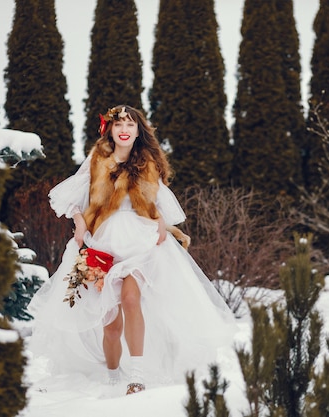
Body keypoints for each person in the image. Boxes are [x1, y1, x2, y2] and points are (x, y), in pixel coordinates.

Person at [27, 105, 235, 396]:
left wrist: (161, 222)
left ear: (139, 131)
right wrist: (79, 224)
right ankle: (113, 375)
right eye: (119, 124)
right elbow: (69, 196)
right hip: (102, 245)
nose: (124, 129)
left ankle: (136, 376)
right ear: (110, 129)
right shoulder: (97, 159)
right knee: (110, 323)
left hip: (141, 243)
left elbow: (160, 200)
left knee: (130, 298)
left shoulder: (148, 163)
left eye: (131, 124)